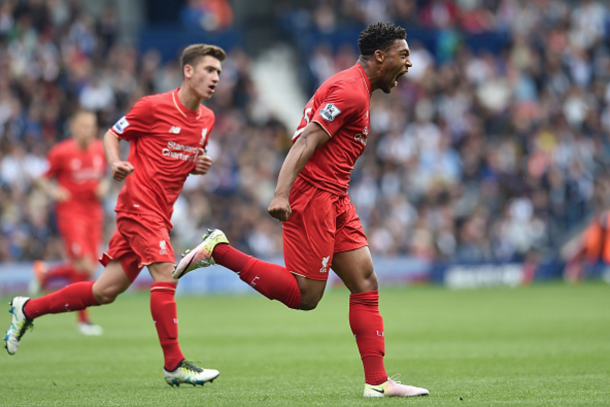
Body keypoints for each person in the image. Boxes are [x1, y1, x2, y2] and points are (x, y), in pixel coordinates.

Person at [174, 22, 430, 398]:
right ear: (380, 57)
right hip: (312, 195)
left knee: (365, 282)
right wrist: (281, 192)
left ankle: (377, 382)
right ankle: (219, 251)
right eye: (403, 55)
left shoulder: (355, 86)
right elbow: (309, 136)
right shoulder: (350, 91)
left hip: (335, 196)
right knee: (305, 296)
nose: (408, 64)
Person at [5, 44, 226, 387]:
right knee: (166, 275)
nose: (215, 78)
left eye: (218, 73)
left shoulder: (207, 120)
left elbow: (184, 159)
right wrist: (114, 163)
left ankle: (27, 309)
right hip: (139, 207)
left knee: (105, 290)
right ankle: (174, 364)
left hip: (160, 213)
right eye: (209, 70)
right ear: (188, 71)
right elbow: (113, 133)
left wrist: (198, 165)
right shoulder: (153, 107)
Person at [30, 110, 108, 336]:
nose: (88, 130)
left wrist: (104, 186)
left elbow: (104, 176)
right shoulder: (61, 152)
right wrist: (54, 191)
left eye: (91, 126)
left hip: (94, 213)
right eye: (83, 125)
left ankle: (45, 275)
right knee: (84, 265)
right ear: (73, 127)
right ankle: (83, 320)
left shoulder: (99, 149)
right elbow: (42, 179)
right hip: (71, 213)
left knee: (88, 268)